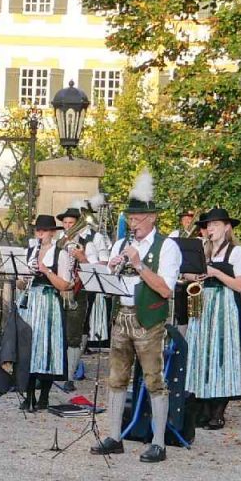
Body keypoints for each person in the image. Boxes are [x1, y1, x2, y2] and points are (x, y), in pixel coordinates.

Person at [94, 173, 182, 462]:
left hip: (149, 319)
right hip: (121, 316)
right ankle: (114, 437)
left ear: (152, 218)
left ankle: (159, 442)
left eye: (137, 219)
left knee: (154, 379)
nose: (133, 224)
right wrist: (112, 268)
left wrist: (138, 264)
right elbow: (110, 280)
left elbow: (166, 289)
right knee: (116, 378)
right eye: (130, 219)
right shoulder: (121, 243)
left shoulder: (167, 246)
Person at [182, 209, 241, 431]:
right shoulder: (203, 249)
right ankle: (202, 407)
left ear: (227, 227)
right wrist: (196, 275)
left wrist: (216, 273)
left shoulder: (237, 251)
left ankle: (218, 411)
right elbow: (188, 274)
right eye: (208, 225)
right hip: (203, 304)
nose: (210, 228)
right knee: (201, 353)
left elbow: (240, 285)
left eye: (216, 224)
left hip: (225, 305)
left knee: (222, 354)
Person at [19, 215, 74, 412]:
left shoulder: (60, 254)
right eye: (38, 230)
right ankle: (29, 396)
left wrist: (46, 271)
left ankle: (44, 396)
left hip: (49, 302)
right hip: (30, 301)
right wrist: (24, 278)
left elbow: (65, 285)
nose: (40, 234)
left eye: (43, 230)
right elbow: (19, 284)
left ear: (52, 233)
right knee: (28, 346)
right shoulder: (29, 252)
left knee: (47, 347)